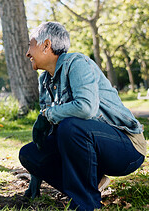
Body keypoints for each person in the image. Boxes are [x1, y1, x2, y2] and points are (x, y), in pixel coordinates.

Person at [19, 22, 146, 211]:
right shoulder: (44, 80)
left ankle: (85, 204)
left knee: (70, 127)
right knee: (29, 154)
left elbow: (86, 108)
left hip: (126, 148)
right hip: (90, 147)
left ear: (46, 45)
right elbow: (48, 132)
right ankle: (91, 185)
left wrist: (48, 114)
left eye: (31, 45)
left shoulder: (77, 63)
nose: (27, 53)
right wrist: (36, 178)